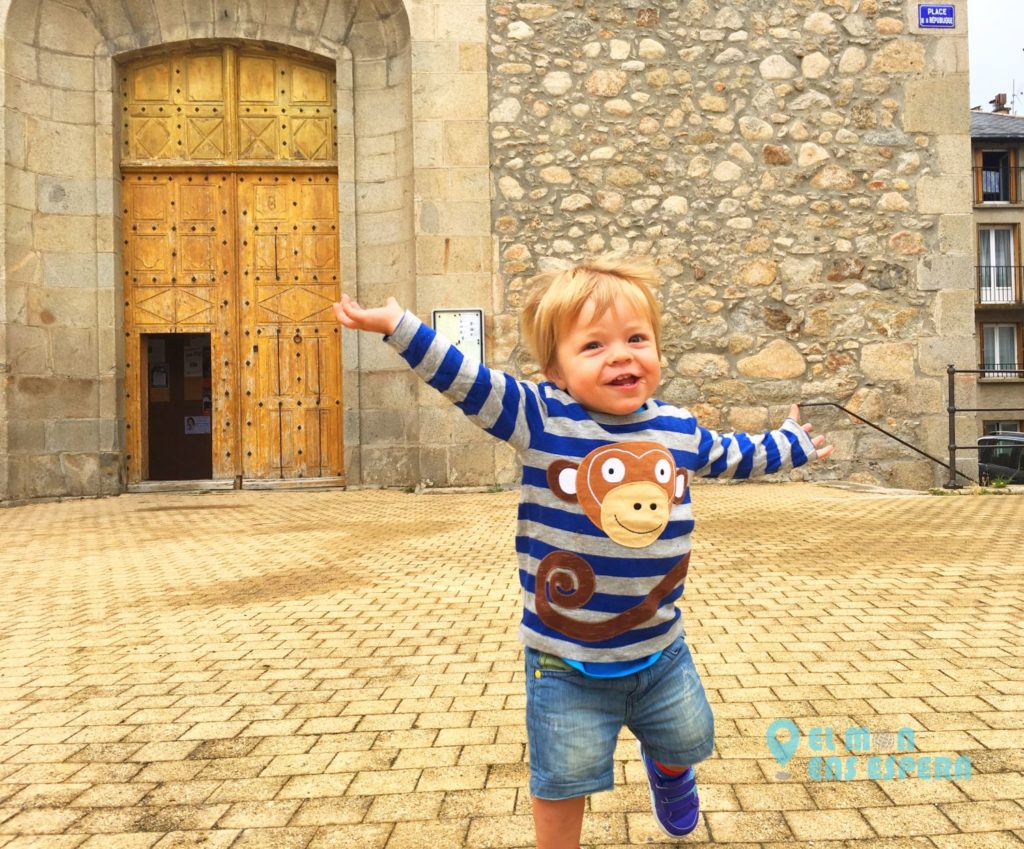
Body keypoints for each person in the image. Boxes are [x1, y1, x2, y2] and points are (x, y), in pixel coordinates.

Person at [333, 255, 832, 848]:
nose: (621, 355)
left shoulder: (678, 426)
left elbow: (732, 454)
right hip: (564, 661)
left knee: (689, 740)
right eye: (593, 346)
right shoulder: (541, 419)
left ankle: (670, 774)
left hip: (661, 648)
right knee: (563, 779)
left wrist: (789, 445)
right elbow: (469, 381)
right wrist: (400, 326)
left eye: (636, 339)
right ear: (556, 371)